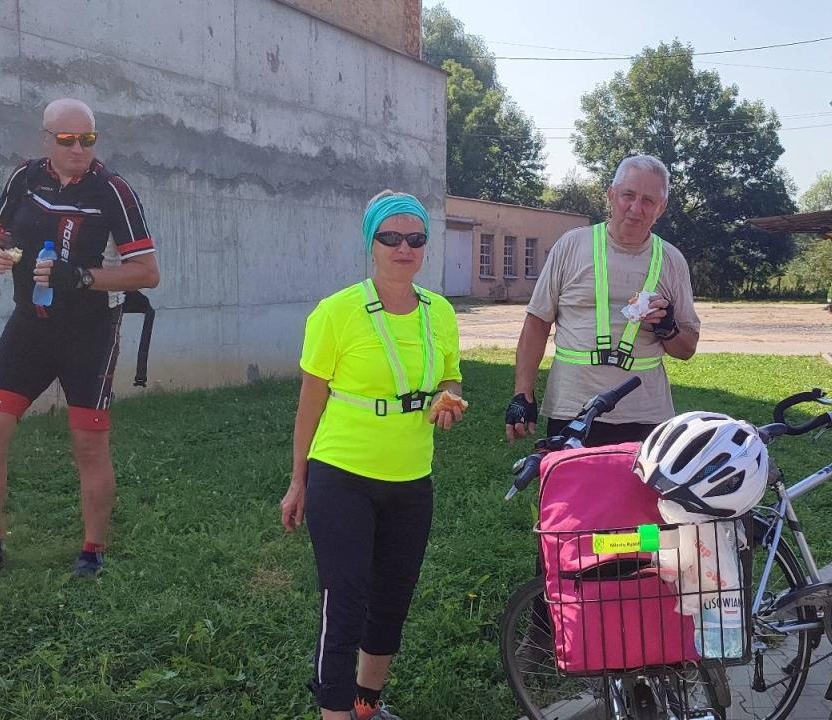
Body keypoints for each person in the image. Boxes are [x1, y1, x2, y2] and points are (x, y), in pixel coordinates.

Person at [0, 98, 160, 579]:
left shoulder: (113, 189)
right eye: (67, 139)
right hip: (30, 324)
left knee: (89, 446)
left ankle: (92, 553)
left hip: (90, 331)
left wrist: (78, 277)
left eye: (88, 139)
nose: (78, 148)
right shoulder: (24, 178)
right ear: (45, 140)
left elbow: (147, 273)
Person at [278, 192, 464, 720]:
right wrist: (299, 480)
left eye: (415, 239)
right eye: (390, 238)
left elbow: (449, 373)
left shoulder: (441, 312)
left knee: (391, 601)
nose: (403, 248)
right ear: (371, 243)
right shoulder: (337, 312)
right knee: (346, 602)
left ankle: (365, 705)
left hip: (411, 478)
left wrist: (449, 395)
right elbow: (310, 402)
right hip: (343, 474)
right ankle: (334, 712)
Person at [505, 154, 701, 446]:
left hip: (645, 415)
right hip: (572, 407)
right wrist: (523, 394)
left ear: (662, 208)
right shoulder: (572, 245)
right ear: (611, 195)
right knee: (570, 493)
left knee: (638, 494)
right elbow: (537, 323)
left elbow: (686, 349)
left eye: (648, 200)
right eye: (628, 195)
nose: (636, 208)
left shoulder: (671, 260)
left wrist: (668, 329)